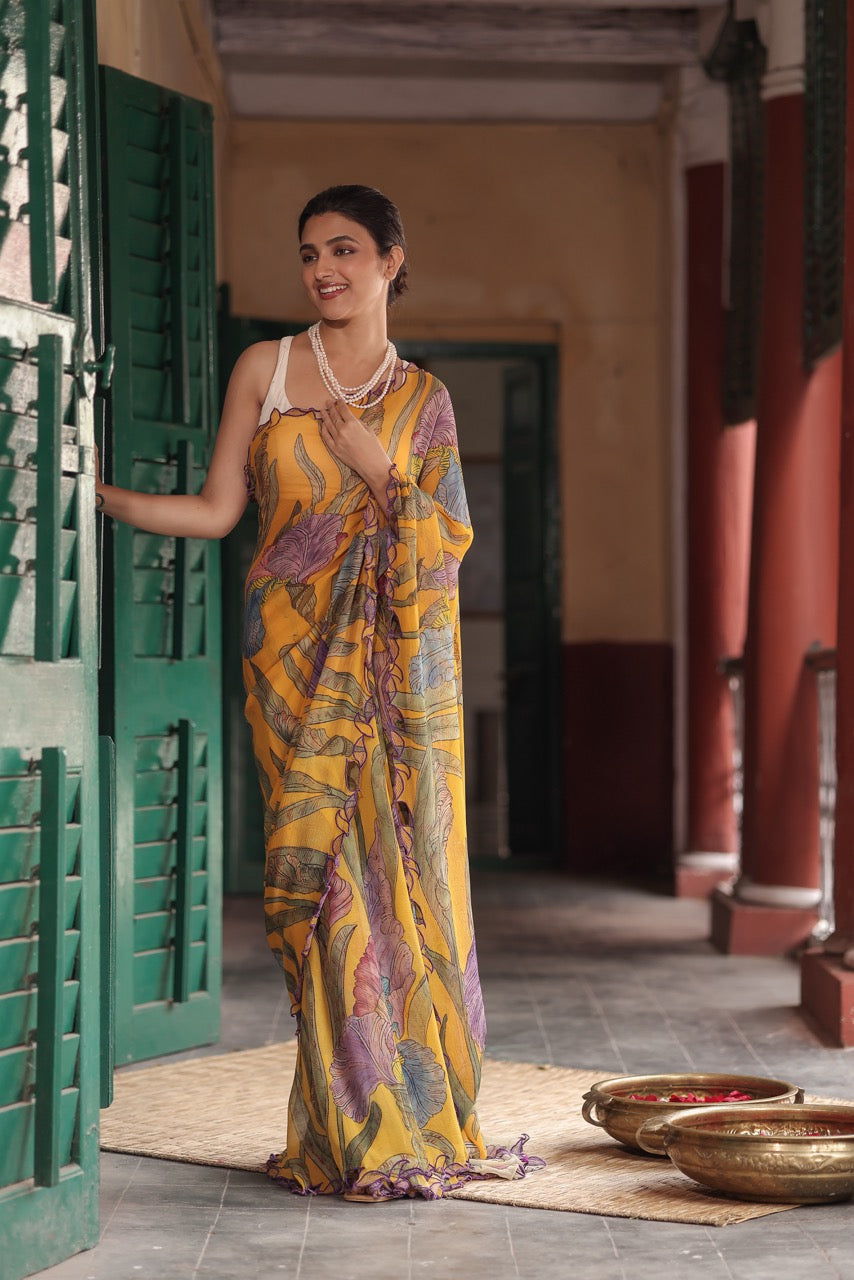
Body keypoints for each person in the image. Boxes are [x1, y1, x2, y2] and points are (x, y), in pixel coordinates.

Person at [96, 184, 540, 1201]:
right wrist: (99, 496)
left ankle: (385, 1126)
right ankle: (351, 1123)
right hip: (288, 670)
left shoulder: (423, 401)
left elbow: (443, 551)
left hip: (388, 689)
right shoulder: (267, 367)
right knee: (325, 895)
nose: (322, 269)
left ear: (391, 258)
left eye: (343, 249)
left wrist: (382, 471)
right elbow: (217, 514)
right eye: (308, 254)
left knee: (381, 895)